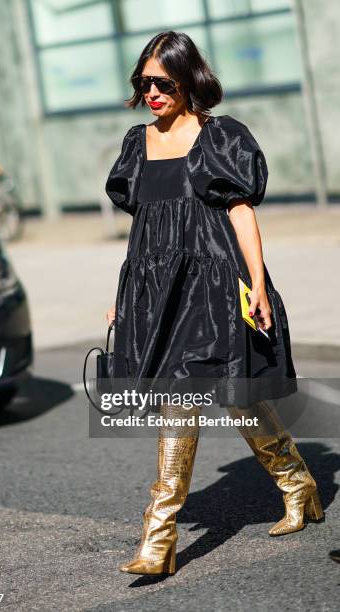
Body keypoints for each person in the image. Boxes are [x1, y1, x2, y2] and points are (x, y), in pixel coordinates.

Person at [104, 31, 323, 576]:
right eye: (143, 82)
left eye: (163, 82)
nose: (152, 92)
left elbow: (241, 213)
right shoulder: (137, 143)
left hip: (216, 281)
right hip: (160, 287)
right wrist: (123, 297)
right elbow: (143, 230)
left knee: (234, 395)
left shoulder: (221, 137)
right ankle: (296, 485)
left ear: (188, 80)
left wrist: (257, 285)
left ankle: (162, 536)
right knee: (199, 398)